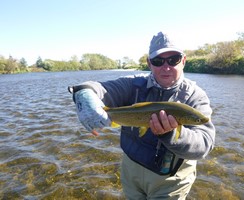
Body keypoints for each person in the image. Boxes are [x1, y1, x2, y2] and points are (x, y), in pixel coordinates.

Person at [68, 31, 216, 199]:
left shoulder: (196, 97)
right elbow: (95, 87)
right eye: (158, 61)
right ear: (149, 63)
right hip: (131, 171)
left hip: (170, 179)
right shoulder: (133, 84)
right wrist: (83, 94)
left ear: (183, 61)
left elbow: (204, 144)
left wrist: (171, 134)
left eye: (173, 60)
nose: (166, 67)